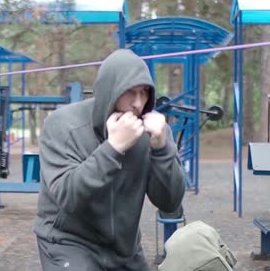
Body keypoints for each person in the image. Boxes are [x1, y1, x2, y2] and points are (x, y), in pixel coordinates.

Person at [34, 49, 185, 270]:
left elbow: (170, 203)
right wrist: (113, 148)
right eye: (130, 93)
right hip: (68, 242)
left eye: (144, 93)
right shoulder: (62, 125)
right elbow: (69, 197)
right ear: (109, 92)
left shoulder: (152, 132)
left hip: (124, 249)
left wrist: (161, 149)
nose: (138, 103)